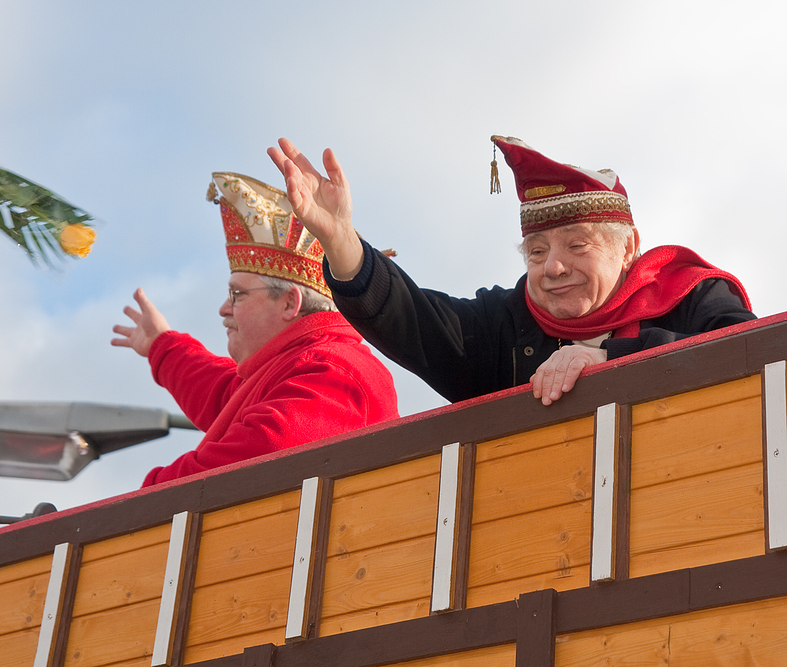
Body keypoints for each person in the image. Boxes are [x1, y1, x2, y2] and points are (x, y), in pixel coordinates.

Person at [267, 136, 755, 406]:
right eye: (536, 252)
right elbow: (413, 318)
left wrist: (609, 360)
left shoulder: (693, 294)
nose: (554, 267)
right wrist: (339, 239)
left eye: (576, 245)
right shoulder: (506, 320)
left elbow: (749, 361)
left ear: (628, 247)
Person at [112, 172, 399, 487]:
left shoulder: (333, 370)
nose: (224, 308)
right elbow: (225, 396)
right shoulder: (301, 365)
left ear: (289, 303)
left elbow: (262, 449)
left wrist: (136, 503)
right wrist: (162, 346)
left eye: (237, 294)